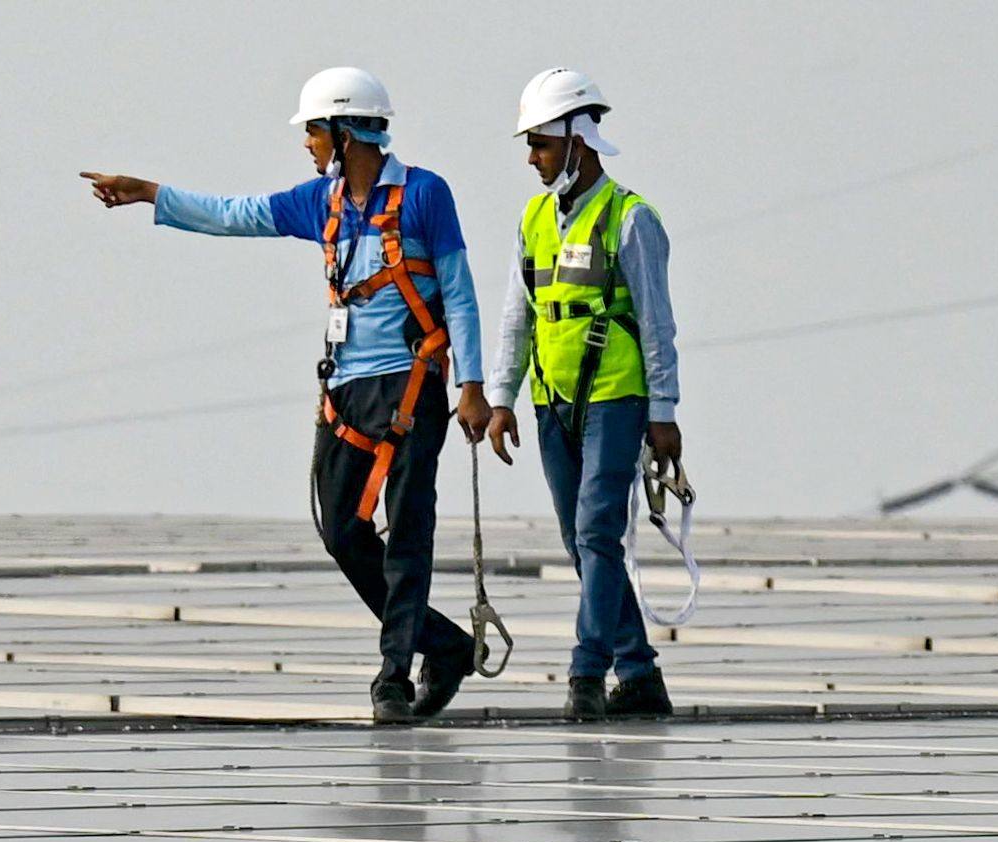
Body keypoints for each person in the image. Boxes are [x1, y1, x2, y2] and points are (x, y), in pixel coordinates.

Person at [83, 68, 491, 725]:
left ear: (343, 131)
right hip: (346, 394)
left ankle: (393, 677)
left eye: (312, 130)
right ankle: (443, 646)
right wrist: (149, 195)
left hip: (413, 386)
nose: (306, 142)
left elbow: (460, 291)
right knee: (343, 532)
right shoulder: (319, 202)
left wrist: (472, 386)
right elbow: (234, 215)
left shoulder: (424, 195)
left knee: (409, 533)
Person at [483, 68, 682, 721]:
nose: (532, 157)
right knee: (580, 541)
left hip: (617, 398)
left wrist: (664, 412)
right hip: (551, 400)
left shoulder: (630, 219)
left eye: (540, 143)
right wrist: (501, 396)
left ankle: (586, 673)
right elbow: (519, 315)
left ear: (577, 139)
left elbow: (656, 322)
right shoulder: (535, 219)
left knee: (599, 532)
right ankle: (640, 672)